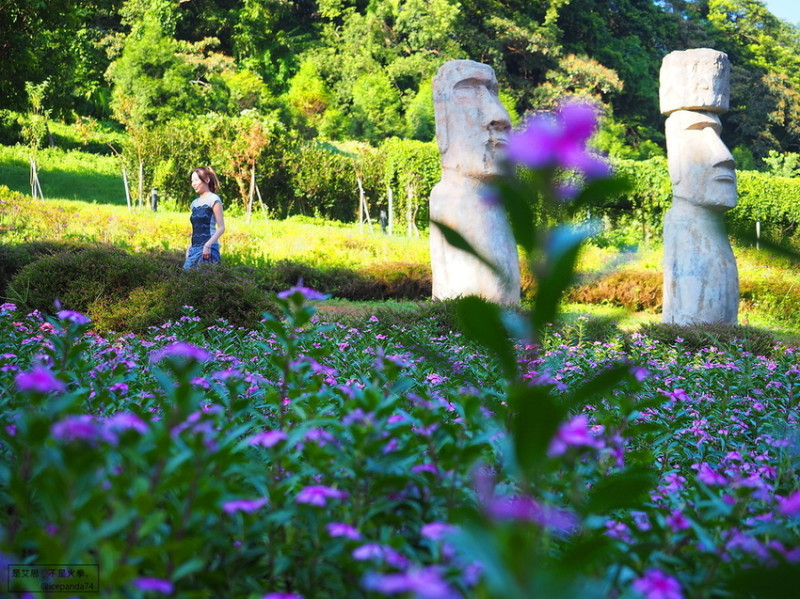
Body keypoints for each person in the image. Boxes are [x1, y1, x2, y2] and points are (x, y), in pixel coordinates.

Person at [183, 166, 225, 269]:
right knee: (187, 279)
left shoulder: (214, 199)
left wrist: (208, 245)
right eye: (192, 181)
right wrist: (189, 247)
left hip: (208, 249)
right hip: (194, 248)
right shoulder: (194, 203)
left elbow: (221, 228)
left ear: (207, 180)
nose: (193, 184)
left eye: (196, 180)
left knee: (203, 282)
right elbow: (196, 228)